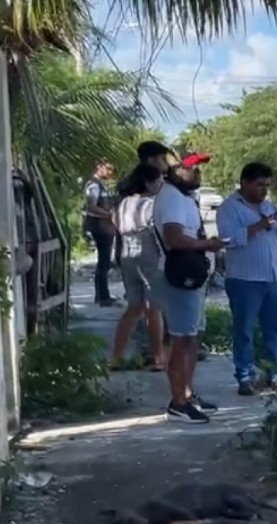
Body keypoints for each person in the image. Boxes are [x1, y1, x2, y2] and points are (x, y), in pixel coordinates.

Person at [150, 152, 224, 423]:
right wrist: (208, 245)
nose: (197, 174)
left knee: (190, 338)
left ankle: (187, 394)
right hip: (180, 276)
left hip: (191, 276)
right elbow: (174, 239)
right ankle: (178, 403)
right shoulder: (171, 198)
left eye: (199, 169)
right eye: (192, 168)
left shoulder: (182, 197)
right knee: (181, 340)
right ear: (174, 171)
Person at [215, 162, 277, 396]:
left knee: (275, 330)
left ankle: (274, 375)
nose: (264, 190)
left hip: (272, 278)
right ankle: (245, 377)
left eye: (267, 185)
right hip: (244, 280)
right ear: (244, 183)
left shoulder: (270, 206)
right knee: (244, 331)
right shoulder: (229, 208)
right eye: (259, 184)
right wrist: (258, 226)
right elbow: (227, 239)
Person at [109, 163, 166, 370]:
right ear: (148, 183)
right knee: (154, 309)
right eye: (159, 180)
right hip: (148, 255)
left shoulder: (123, 203)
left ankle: (116, 357)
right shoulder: (150, 204)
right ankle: (158, 358)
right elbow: (157, 231)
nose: (161, 184)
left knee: (134, 308)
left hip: (127, 254)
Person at [84, 161, 118, 306]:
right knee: (104, 262)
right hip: (100, 227)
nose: (110, 172)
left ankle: (102, 295)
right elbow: (91, 207)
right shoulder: (94, 186)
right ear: (99, 167)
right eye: (108, 169)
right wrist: (109, 215)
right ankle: (103, 297)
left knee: (104, 262)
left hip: (104, 227)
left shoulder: (101, 185)